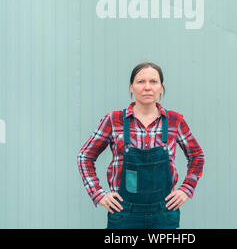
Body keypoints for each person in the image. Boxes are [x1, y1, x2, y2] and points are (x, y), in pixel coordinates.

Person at [77, 61, 205, 229]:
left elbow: (197, 156)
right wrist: (98, 194)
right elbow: (85, 156)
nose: (147, 87)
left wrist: (186, 189)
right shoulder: (114, 120)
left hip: (164, 213)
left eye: (153, 82)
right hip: (124, 213)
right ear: (131, 87)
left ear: (161, 87)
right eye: (140, 82)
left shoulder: (175, 121)